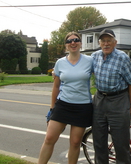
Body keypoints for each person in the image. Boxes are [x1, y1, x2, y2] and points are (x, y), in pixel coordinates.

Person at [37, 32, 93, 164]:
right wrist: (52, 108)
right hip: (63, 105)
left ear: (81, 43)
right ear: (66, 46)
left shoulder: (90, 61)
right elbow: (56, 87)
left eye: (76, 40)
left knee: (75, 143)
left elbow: (103, 73)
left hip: (83, 107)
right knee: (49, 138)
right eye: (69, 41)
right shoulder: (60, 63)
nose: (73, 43)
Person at [91, 29, 131, 164]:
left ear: (115, 42)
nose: (106, 44)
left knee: (121, 143)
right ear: (99, 43)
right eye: (103, 41)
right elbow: (79, 67)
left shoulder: (122, 58)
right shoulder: (94, 56)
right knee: (98, 141)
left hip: (119, 100)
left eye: (109, 41)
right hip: (99, 100)